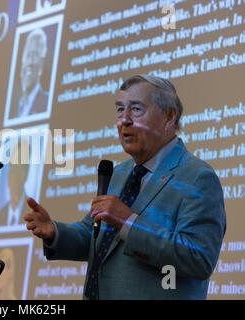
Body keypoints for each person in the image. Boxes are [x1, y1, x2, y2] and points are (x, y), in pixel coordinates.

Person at [24, 74, 226, 299]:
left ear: (169, 117)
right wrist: (55, 232)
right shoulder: (119, 173)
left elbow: (198, 258)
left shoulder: (197, 177)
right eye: (120, 109)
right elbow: (94, 235)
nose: (124, 120)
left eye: (136, 109)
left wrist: (128, 221)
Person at [10, 28, 49, 120]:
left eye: (35, 55)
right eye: (28, 55)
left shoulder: (46, 102)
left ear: (41, 64)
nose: (30, 62)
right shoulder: (12, 107)